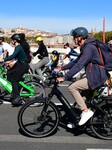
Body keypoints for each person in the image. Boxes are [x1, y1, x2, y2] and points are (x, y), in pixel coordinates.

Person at [55, 27, 108, 126]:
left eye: (75, 37)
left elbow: (79, 65)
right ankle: (78, 120)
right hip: (95, 75)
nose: (74, 39)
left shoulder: (89, 48)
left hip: (96, 76)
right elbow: (75, 62)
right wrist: (61, 68)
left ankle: (86, 112)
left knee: (72, 87)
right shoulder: (87, 47)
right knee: (82, 99)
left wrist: (65, 77)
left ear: (80, 37)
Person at [4, 33, 29, 106]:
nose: (11, 41)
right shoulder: (18, 47)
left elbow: (13, 56)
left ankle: (17, 97)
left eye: (12, 40)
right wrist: (8, 61)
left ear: (15, 40)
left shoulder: (19, 47)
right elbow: (15, 57)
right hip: (19, 64)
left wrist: (4, 59)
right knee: (9, 73)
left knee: (14, 80)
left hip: (23, 65)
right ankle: (12, 92)